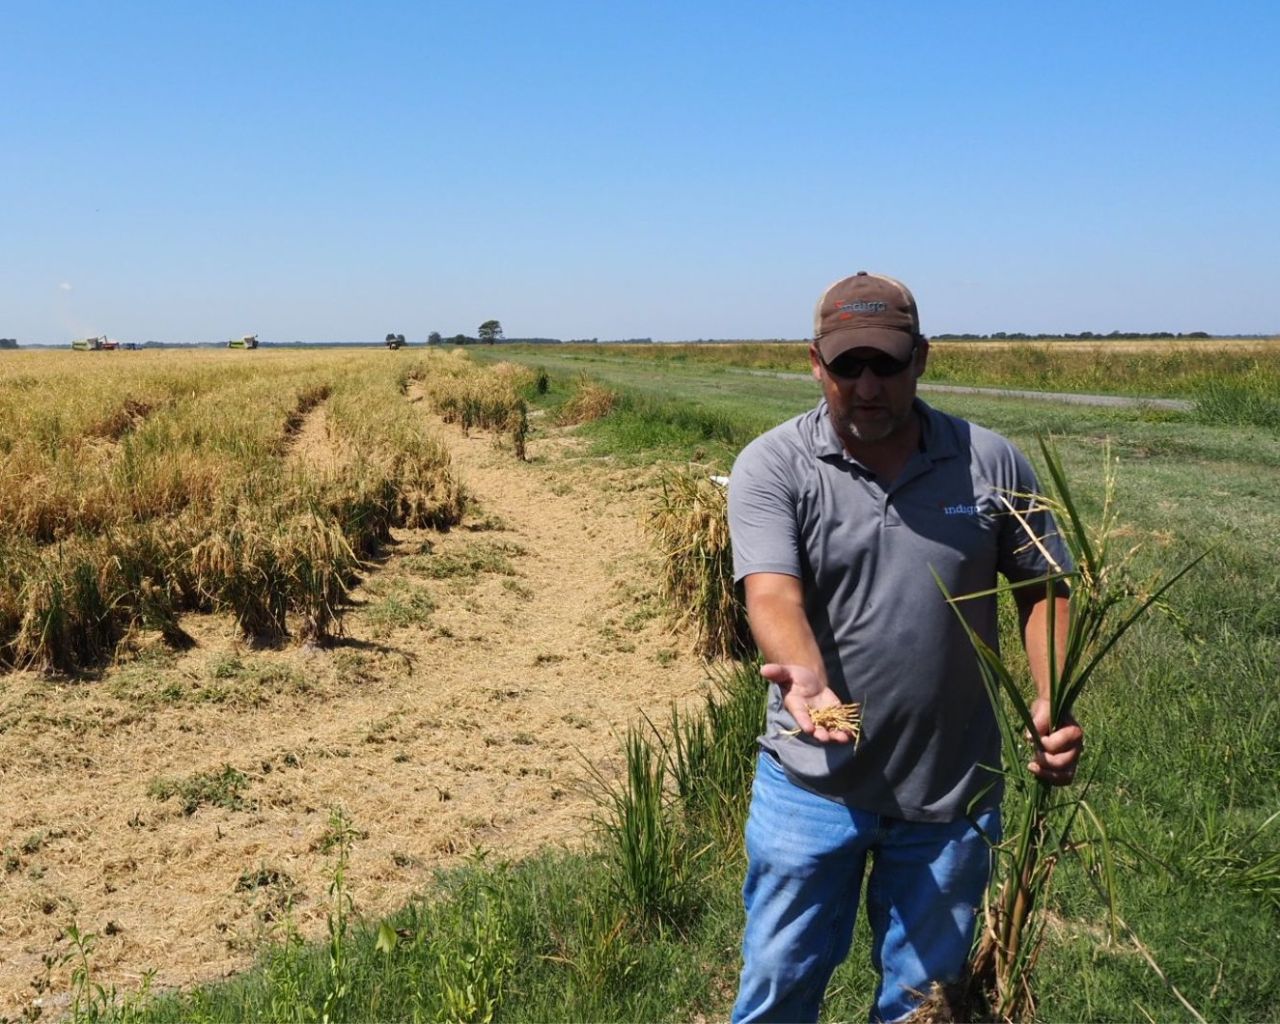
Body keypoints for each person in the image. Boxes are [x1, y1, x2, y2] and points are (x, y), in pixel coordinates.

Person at [726, 271, 1084, 1023]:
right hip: (811, 783)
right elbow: (771, 591)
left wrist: (1050, 696)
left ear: (921, 358)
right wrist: (807, 680)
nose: (866, 386)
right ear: (814, 363)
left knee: (926, 1005)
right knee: (778, 988)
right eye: (846, 365)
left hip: (950, 793)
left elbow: (1044, 589)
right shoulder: (776, 465)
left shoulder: (989, 463)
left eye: (885, 364)